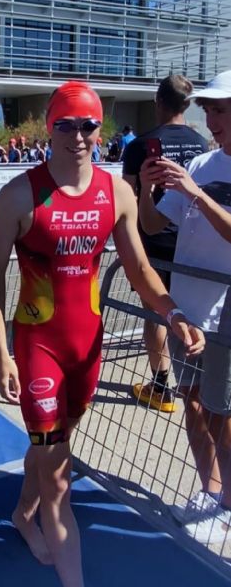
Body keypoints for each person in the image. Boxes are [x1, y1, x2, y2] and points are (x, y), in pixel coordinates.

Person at [0, 80, 205, 587]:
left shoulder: (117, 192)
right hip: (36, 346)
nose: (78, 136)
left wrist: (172, 313)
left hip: (86, 348)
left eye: (88, 126)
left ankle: (22, 514)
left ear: (99, 130)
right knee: (59, 473)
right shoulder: (19, 194)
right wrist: (1, 352)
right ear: (49, 127)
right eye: (66, 125)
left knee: (50, 447)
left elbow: (141, 268)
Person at [139, 69, 231, 544]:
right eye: (208, 109)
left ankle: (229, 503)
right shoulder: (201, 165)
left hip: (225, 314)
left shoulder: (201, 176)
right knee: (193, 403)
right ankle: (210, 494)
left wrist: (195, 195)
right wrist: (145, 188)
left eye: (219, 110)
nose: (210, 118)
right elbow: (153, 227)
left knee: (222, 410)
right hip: (186, 309)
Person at [123, 75, 208, 412]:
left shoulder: (141, 145)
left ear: (159, 102)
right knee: (192, 310)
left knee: (156, 312)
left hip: (155, 239)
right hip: (192, 241)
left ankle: (161, 385)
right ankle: (196, 380)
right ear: (186, 106)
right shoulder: (203, 145)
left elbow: (127, 194)